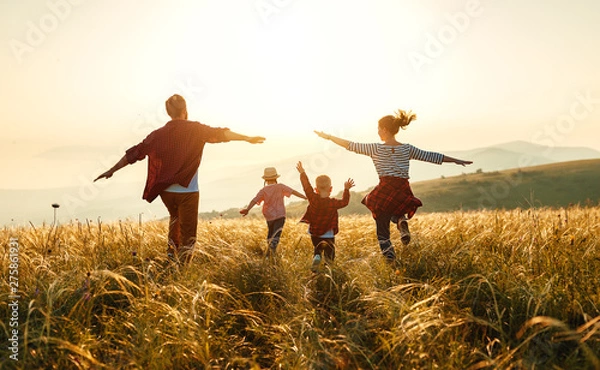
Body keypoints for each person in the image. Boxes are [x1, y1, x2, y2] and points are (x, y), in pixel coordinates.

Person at [94, 94, 265, 264]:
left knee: (175, 219)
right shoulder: (196, 129)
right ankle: (182, 268)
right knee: (188, 233)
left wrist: (112, 170)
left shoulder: (158, 134)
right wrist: (247, 138)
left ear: (168, 112)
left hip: (166, 192)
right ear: (184, 110)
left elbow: (136, 153)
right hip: (188, 191)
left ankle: (171, 256)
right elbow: (221, 134)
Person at [314, 109, 472, 264]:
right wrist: (457, 160)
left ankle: (389, 257)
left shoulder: (376, 148)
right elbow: (431, 156)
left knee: (380, 223)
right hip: (402, 188)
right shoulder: (407, 149)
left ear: (384, 129)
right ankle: (401, 221)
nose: (377, 132)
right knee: (397, 210)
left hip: (385, 187)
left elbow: (350, 145)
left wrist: (328, 137)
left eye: (378, 129)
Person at [296, 161, 354, 272]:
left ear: (316, 189)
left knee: (317, 248)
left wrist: (302, 173)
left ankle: (317, 256)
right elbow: (344, 202)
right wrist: (346, 189)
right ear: (331, 189)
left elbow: (306, 186)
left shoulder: (312, 198)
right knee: (329, 253)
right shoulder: (333, 202)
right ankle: (328, 268)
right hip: (328, 233)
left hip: (314, 232)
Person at [240, 167, 306, 257]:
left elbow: (254, 200)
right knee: (276, 234)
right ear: (276, 178)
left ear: (265, 180)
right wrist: (305, 197)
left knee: (271, 234)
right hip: (280, 215)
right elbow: (293, 192)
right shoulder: (281, 186)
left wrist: (247, 209)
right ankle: (270, 253)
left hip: (269, 216)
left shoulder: (263, 190)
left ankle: (270, 254)